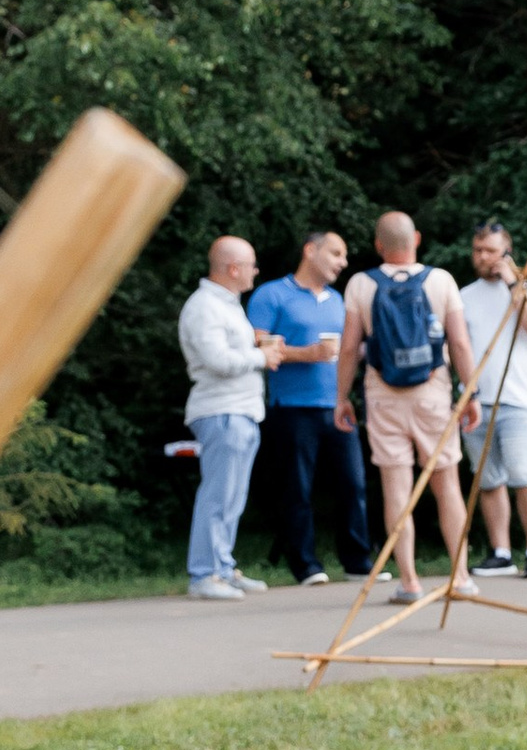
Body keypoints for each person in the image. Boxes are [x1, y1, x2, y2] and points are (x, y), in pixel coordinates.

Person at [335, 215, 479, 601]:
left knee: (396, 488)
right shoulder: (441, 280)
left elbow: (349, 348)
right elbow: (460, 343)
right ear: (416, 237)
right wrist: (471, 393)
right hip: (433, 393)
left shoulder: (361, 284)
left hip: (382, 396)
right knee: (447, 484)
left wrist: (341, 397)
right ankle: (460, 576)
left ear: (378, 245)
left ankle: (410, 582)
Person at [248, 228, 369, 584]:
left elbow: (350, 350)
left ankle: (358, 564)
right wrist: (308, 354)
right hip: (292, 407)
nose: (343, 262)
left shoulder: (338, 300)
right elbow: (257, 346)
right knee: (297, 489)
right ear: (310, 251)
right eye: (335, 253)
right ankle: (306, 567)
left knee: (354, 485)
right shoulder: (271, 295)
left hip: (336, 406)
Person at [176, 235, 285, 596]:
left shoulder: (227, 304)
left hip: (241, 410)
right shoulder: (205, 306)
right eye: (251, 264)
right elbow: (217, 361)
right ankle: (204, 575)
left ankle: (222, 566)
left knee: (233, 496)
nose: (256, 270)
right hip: (221, 410)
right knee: (219, 495)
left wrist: (255, 347)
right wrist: (261, 357)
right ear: (233, 268)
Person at [457, 222, 527, 580]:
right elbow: (456, 347)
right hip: (476, 401)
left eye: (490, 251)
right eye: (478, 250)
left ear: (506, 252)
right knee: (487, 479)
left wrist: (515, 284)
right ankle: (500, 553)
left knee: (524, 473)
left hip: (521, 399)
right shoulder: (465, 294)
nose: (483, 258)